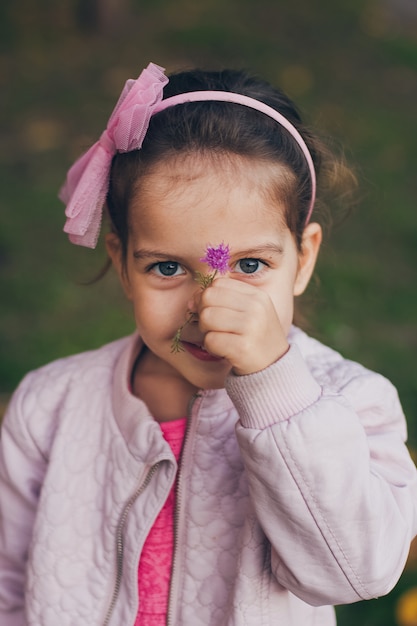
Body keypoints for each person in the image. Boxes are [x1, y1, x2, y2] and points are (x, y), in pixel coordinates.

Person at [0, 62, 416, 626]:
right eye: (168, 267)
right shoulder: (49, 405)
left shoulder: (353, 402)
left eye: (249, 265)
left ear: (304, 258)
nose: (208, 306)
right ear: (122, 264)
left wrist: (275, 390)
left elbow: (356, 574)